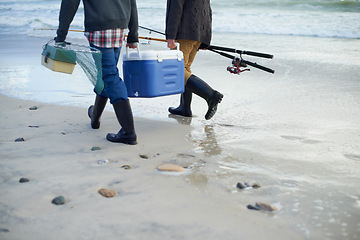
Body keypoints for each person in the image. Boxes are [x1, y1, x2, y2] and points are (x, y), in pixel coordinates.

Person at [55, 0, 139, 145]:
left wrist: (61, 36)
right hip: (120, 27)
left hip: (99, 29)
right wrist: (133, 34)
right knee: (105, 75)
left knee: (110, 76)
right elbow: (132, 2)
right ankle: (95, 117)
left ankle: (128, 132)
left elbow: (69, 4)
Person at [166, 0, 223, 120]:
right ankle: (184, 107)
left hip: (185, 34)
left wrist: (170, 35)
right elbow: (207, 11)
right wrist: (205, 39)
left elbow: (176, 9)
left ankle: (211, 95)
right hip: (199, 34)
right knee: (185, 69)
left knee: (179, 71)